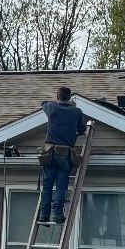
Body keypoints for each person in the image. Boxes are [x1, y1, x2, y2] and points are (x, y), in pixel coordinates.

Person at [38, 87, 87, 224]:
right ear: (70, 97)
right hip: (66, 154)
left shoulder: (52, 108)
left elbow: (43, 103)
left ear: (57, 96)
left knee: (47, 186)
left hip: (50, 153)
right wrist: (72, 106)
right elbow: (82, 129)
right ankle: (58, 215)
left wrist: (59, 102)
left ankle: (44, 215)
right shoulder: (76, 112)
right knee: (61, 186)